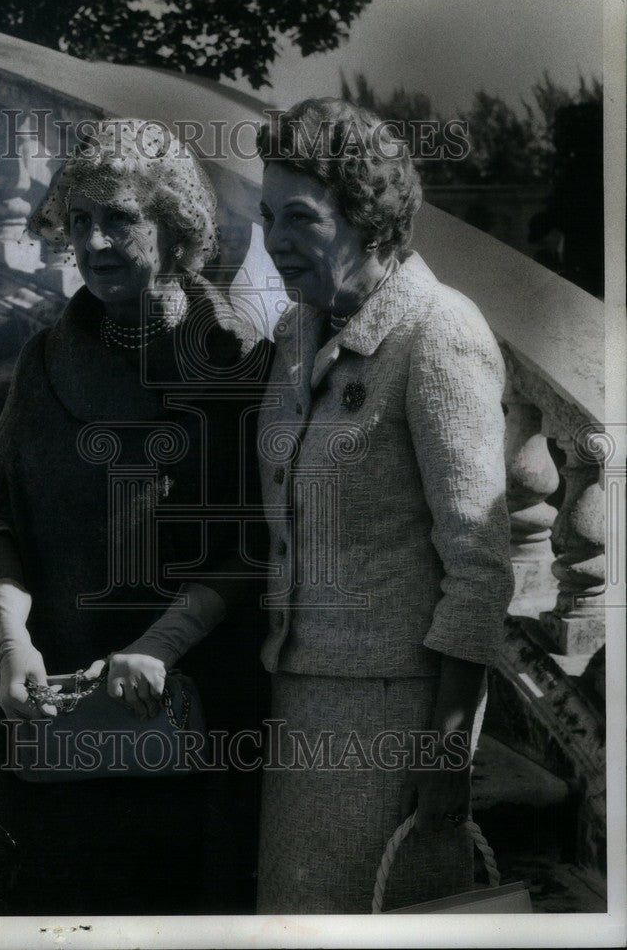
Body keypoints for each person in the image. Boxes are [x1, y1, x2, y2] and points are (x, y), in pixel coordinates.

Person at [0, 120, 269, 916]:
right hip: (61, 720)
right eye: (79, 221)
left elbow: (257, 542)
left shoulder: (231, 358)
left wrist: (158, 649)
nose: (94, 241)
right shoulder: (45, 360)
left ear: (174, 227)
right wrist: (11, 642)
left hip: (190, 716)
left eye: (119, 218)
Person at [254, 98, 515, 913]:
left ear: (367, 219)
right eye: (266, 216)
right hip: (297, 697)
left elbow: (480, 565)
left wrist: (445, 751)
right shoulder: (299, 330)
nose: (273, 240)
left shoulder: (439, 334)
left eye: (298, 217)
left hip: (394, 719)